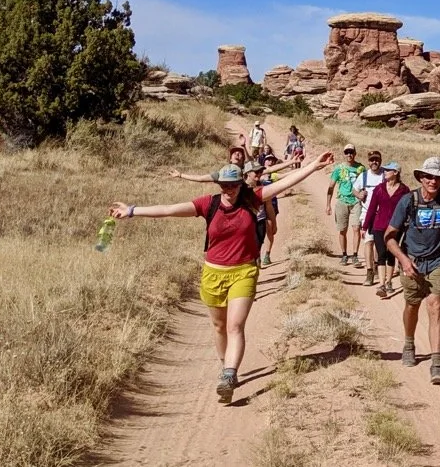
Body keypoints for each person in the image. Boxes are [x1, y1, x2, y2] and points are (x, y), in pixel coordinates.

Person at [111, 151, 333, 403]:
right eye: (224, 185)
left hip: (244, 271)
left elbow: (286, 182)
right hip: (213, 273)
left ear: (240, 184)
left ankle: (229, 375)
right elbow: (169, 210)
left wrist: (313, 165)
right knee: (219, 327)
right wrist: (131, 210)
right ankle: (225, 365)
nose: (228, 190)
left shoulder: (252, 199)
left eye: (232, 185)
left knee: (234, 326)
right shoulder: (209, 204)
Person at [385, 156, 440, 385]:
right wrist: (403, 260)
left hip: (438, 261)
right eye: (429, 177)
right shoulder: (408, 201)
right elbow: (389, 237)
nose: (433, 181)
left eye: (437, 177)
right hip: (412, 262)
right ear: (421, 178)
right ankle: (409, 343)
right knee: (412, 305)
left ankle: (437, 363)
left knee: (435, 305)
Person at [362, 161, 408, 298]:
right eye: (385, 170)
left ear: (396, 172)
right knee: (381, 254)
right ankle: (382, 284)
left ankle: (389, 282)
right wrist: (365, 226)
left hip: (395, 227)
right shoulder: (379, 188)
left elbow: (408, 210)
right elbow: (371, 208)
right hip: (379, 226)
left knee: (391, 254)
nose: (385, 172)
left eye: (388, 170)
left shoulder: (404, 190)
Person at [326, 144, 365, 266]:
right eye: (347, 152)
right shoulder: (338, 169)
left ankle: (355, 255)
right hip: (342, 201)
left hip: (356, 202)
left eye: (351, 152)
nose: (349, 154)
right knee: (342, 230)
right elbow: (331, 187)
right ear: (344, 154)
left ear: (355, 153)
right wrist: (328, 204)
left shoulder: (361, 168)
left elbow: (365, 185)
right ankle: (344, 255)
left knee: (356, 228)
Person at [354, 151, 387, 285]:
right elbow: (354, 189)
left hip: (382, 215)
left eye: (376, 160)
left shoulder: (385, 175)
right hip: (367, 213)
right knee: (368, 242)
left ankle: (377, 266)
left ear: (380, 161)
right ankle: (369, 272)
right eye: (372, 160)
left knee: (379, 243)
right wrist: (359, 195)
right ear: (368, 161)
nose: (374, 162)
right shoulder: (364, 176)